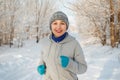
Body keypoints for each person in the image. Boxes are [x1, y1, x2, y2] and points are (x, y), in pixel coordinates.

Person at [37, 11, 87, 80]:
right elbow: (42, 60)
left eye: (62, 23)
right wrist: (40, 66)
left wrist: (69, 64)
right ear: (50, 26)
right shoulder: (45, 43)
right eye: (55, 23)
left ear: (66, 26)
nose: (58, 27)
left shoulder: (74, 44)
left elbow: (83, 68)